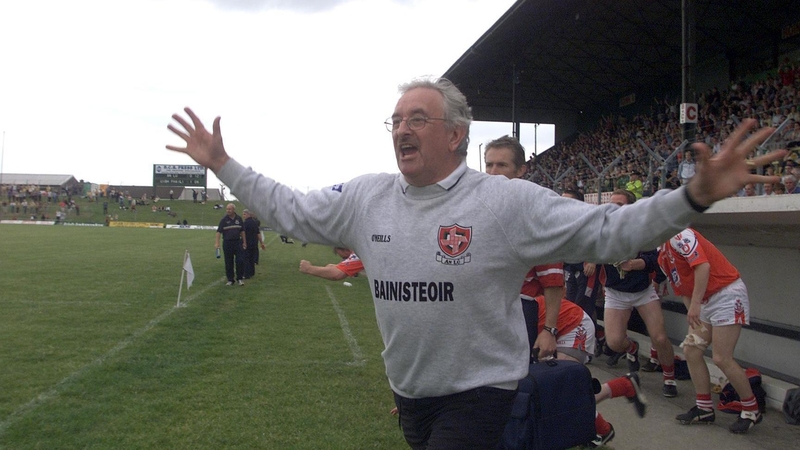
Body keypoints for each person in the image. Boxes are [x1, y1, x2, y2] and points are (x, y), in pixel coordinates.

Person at [167, 77, 782, 448]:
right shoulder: (364, 197)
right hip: (410, 392)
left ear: (456, 133)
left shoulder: (504, 201)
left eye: (417, 119)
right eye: (395, 120)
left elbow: (606, 230)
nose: (401, 130)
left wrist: (693, 195)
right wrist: (224, 165)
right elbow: (293, 210)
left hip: (481, 391)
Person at [658, 228, 762, 434]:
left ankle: (751, 410)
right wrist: (693, 312)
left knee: (722, 358)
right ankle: (704, 408)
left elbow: (702, 266)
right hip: (704, 300)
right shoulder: (661, 256)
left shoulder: (680, 235)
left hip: (726, 293)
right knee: (691, 350)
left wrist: (696, 305)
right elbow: (683, 289)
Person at [528, 294, 647, 447]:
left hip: (573, 324)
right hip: (554, 328)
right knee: (557, 395)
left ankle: (603, 430)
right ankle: (625, 385)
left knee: (564, 393)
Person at [484, 135, 564, 359]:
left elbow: (553, 279)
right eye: (489, 165)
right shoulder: (476, 207)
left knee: (514, 376)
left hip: (518, 307)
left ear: (521, 170)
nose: (493, 172)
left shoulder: (534, 212)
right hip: (481, 306)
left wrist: (549, 330)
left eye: (502, 165)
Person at [599, 189, 678, 398]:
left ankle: (669, 378)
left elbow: (655, 260)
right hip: (616, 293)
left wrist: (636, 263)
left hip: (642, 291)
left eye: (619, 204)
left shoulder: (643, 230)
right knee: (614, 342)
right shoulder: (603, 229)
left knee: (659, 337)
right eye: (611, 203)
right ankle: (631, 348)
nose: (613, 208)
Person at [215, 203, 246, 286]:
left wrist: (244, 242)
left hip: (237, 242)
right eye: (227, 209)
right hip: (227, 243)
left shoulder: (239, 219)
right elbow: (218, 232)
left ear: (234, 210)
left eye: (230, 209)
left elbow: (242, 231)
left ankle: (240, 278)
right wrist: (217, 243)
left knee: (240, 260)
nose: (228, 211)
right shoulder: (224, 220)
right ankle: (230, 279)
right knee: (228, 262)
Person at [299, 247, 364, 280]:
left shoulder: (360, 253)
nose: (346, 260)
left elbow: (336, 274)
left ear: (347, 250)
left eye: (345, 258)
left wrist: (308, 268)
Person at [242, 209, 266, 279]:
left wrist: (243, 242)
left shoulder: (245, 223)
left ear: (248, 214)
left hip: (247, 242)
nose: (243, 216)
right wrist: (261, 242)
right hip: (254, 243)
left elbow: (243, 233)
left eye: (244, 214)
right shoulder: (255, 223)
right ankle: (252, 272)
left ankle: (246, 274)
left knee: (246, 258)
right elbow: (258, 233)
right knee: (252, 258)